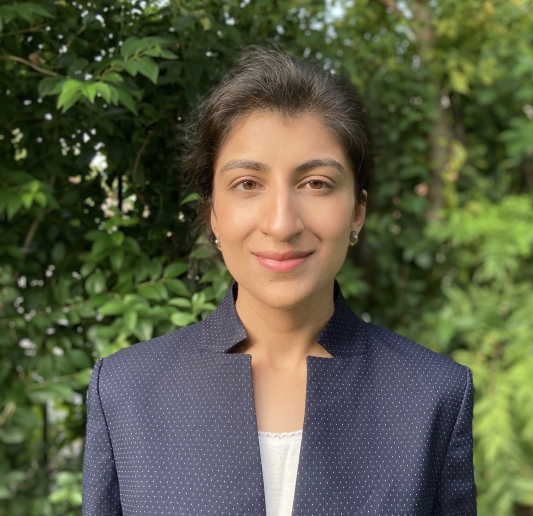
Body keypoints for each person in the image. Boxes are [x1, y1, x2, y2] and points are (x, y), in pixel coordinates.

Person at [82, 47, 476, 516]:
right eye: (248, 183)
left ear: (358, 212)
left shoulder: (431, 395)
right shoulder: (127, 391)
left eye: (316, 183)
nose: (281, 223)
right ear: (213, 213)